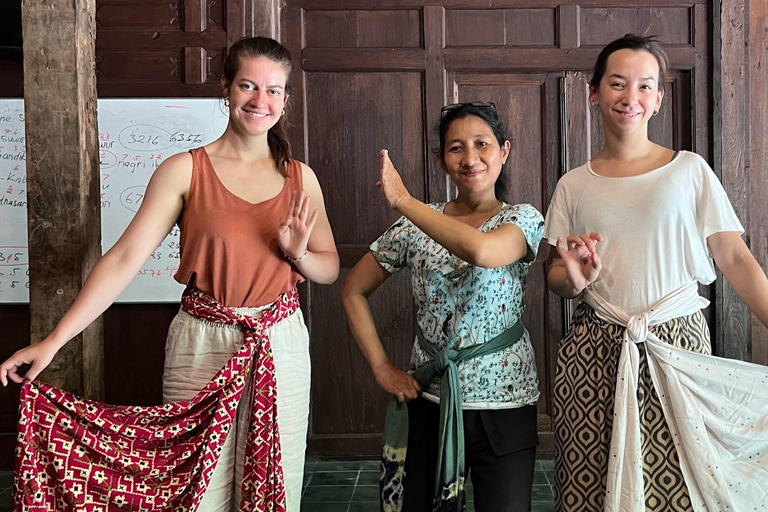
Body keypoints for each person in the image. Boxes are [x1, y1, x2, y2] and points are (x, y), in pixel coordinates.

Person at [0, 37, 339, 512]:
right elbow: (122, 261)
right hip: (201, 342)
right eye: (247, 85)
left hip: (279, 342)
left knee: (278, 482)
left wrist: (297, 254)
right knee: (192, 492)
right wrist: (52, 342)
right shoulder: (184, 169)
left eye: (274, 91)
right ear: (226, 88)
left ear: (285, 99)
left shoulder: (300, 178)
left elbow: (328, 269)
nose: (260, 101)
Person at [544, 34, 768, 512]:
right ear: (594, 92)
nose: (631, 97)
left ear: (659, 100)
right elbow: (556, 278)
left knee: (684, 487)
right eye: (618, 83)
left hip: (678, 347)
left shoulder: (689, 170)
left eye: (645, 86)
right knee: (590, 487)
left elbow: (734, 259)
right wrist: (574, 278)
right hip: (593, 352)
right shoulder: (573, 184)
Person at [341, 102, 544, 512]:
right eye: (456, 148)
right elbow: (352, 291)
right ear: (441, 159)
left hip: (504, 405)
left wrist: (403, 201)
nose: (470, 159)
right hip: (429, 399)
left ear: (504, 151)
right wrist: (382, 367)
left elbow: (484, 252)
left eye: (482, 144)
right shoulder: (413, 224)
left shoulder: (523, 219)